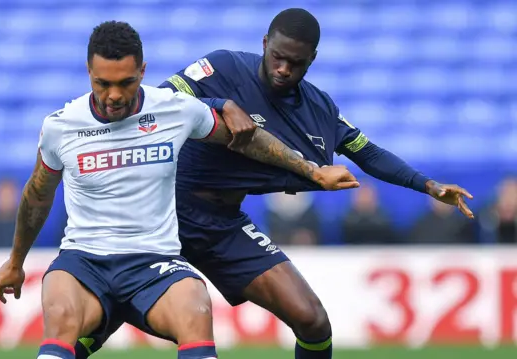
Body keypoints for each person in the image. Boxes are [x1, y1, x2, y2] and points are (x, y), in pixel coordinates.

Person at [74, 8, 475, 359]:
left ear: (311, 60)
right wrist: (219, 106)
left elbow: (366, 152)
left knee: (312, 319)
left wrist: (428, 186)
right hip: (161, 215)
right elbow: (159, 100)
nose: (283, 68)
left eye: (295, 63)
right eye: (277, 57)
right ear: (265, 43)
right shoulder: (222, 68)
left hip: (222, 225)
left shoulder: (319, 110)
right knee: (98, 324)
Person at [0, 21, 359, 359]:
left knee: (196, 307)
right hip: (84, 261)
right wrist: (15, 262)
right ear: (89, 72)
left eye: (126, 82)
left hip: (156, 263)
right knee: (59, 319)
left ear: (143, 72)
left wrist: (311, 170)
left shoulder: (175, 109)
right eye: (103, 83)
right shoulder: (61, 127)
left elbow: (248, 140)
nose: (115, 95)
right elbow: (37, 195)